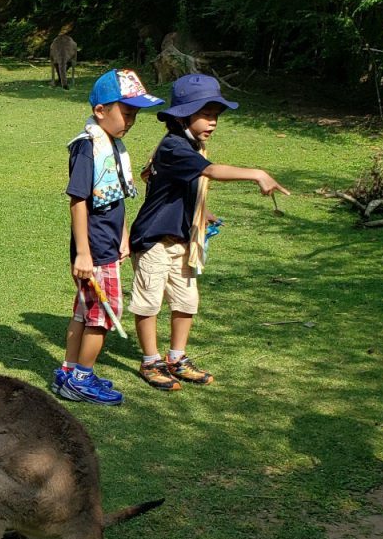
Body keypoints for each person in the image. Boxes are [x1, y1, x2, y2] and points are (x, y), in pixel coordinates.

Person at [127, 73, 290, 389]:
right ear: (183, 115)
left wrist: (203, 212)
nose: (213, 122)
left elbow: (179, 188)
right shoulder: (174, 146)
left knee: (186, 300)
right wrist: (257, 173)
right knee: (149, 301)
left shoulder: (193, 145)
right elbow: (211, 172)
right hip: (153, 240)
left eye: (216, 116)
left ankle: (176, 358)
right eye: (206, 114)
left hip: (183, 239)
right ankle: (150, 361)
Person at [51, 69, 164, 406]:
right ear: (101, 110)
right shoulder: (87, 148)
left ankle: (69, 372)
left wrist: (124, 233)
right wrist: (83, 253)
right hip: (95, 249)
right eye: (126, 113)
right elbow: (78, 200)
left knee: (84, 312)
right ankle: (81, 380)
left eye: (134, 115)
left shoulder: (112, 145)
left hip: (106, 243)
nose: (130, 121)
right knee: (101, 315)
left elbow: (115, 198)